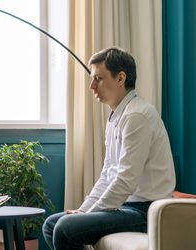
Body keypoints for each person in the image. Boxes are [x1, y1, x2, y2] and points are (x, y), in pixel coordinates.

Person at [42, 47, 176, 249]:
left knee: (65, 228)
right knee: (51, 224)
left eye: (98, 78)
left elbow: (125, 179)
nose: (91, 86)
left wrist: (90, 213)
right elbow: (108, 174)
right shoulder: (116, 116)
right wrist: (84, 210)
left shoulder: (137, 116)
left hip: (145, 210)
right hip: (125, 206)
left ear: (120, 78)